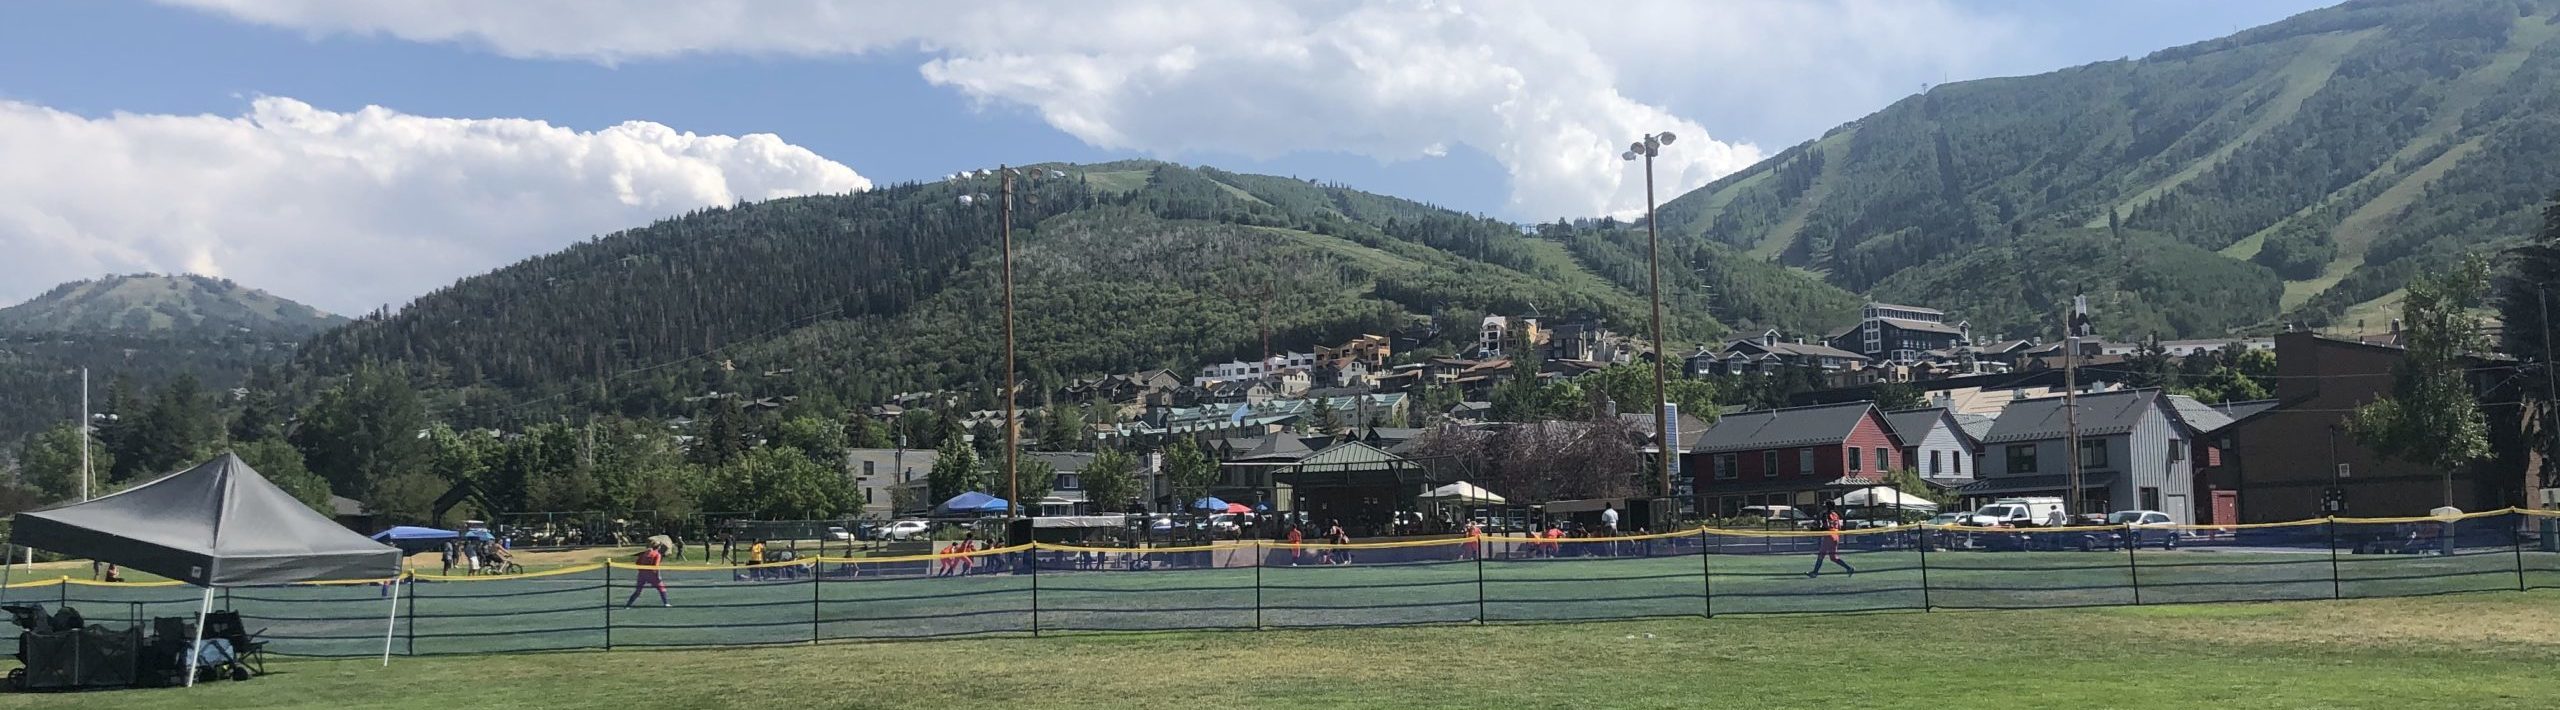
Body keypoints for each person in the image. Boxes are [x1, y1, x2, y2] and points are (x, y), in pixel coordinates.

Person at [1807, 507, 1856, 578]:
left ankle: (1815, 572)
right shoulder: (1835, 514)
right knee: (1833, 557)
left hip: (1829, 536)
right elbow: (1839, 527)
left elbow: (1826, 526)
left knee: (1821, 555)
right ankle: (1849, 568)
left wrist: (1816, 529)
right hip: (1836, 536)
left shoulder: (1825, 514)